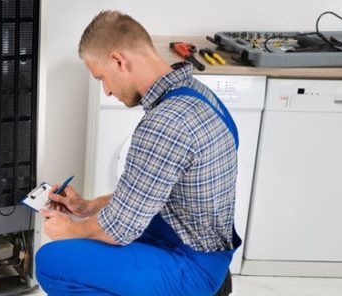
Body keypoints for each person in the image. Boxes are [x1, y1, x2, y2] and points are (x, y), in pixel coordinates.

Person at [35, 10, 241, 296]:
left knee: (51, 261)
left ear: (119, 61)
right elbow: (150, 194)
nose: (106, 91)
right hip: (199, 243)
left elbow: (118, 231)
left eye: (102, 77)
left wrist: (71, 229)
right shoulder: (198, 94)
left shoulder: (164, 123)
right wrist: (88, 208)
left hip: (192, 265)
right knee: (87, 239)